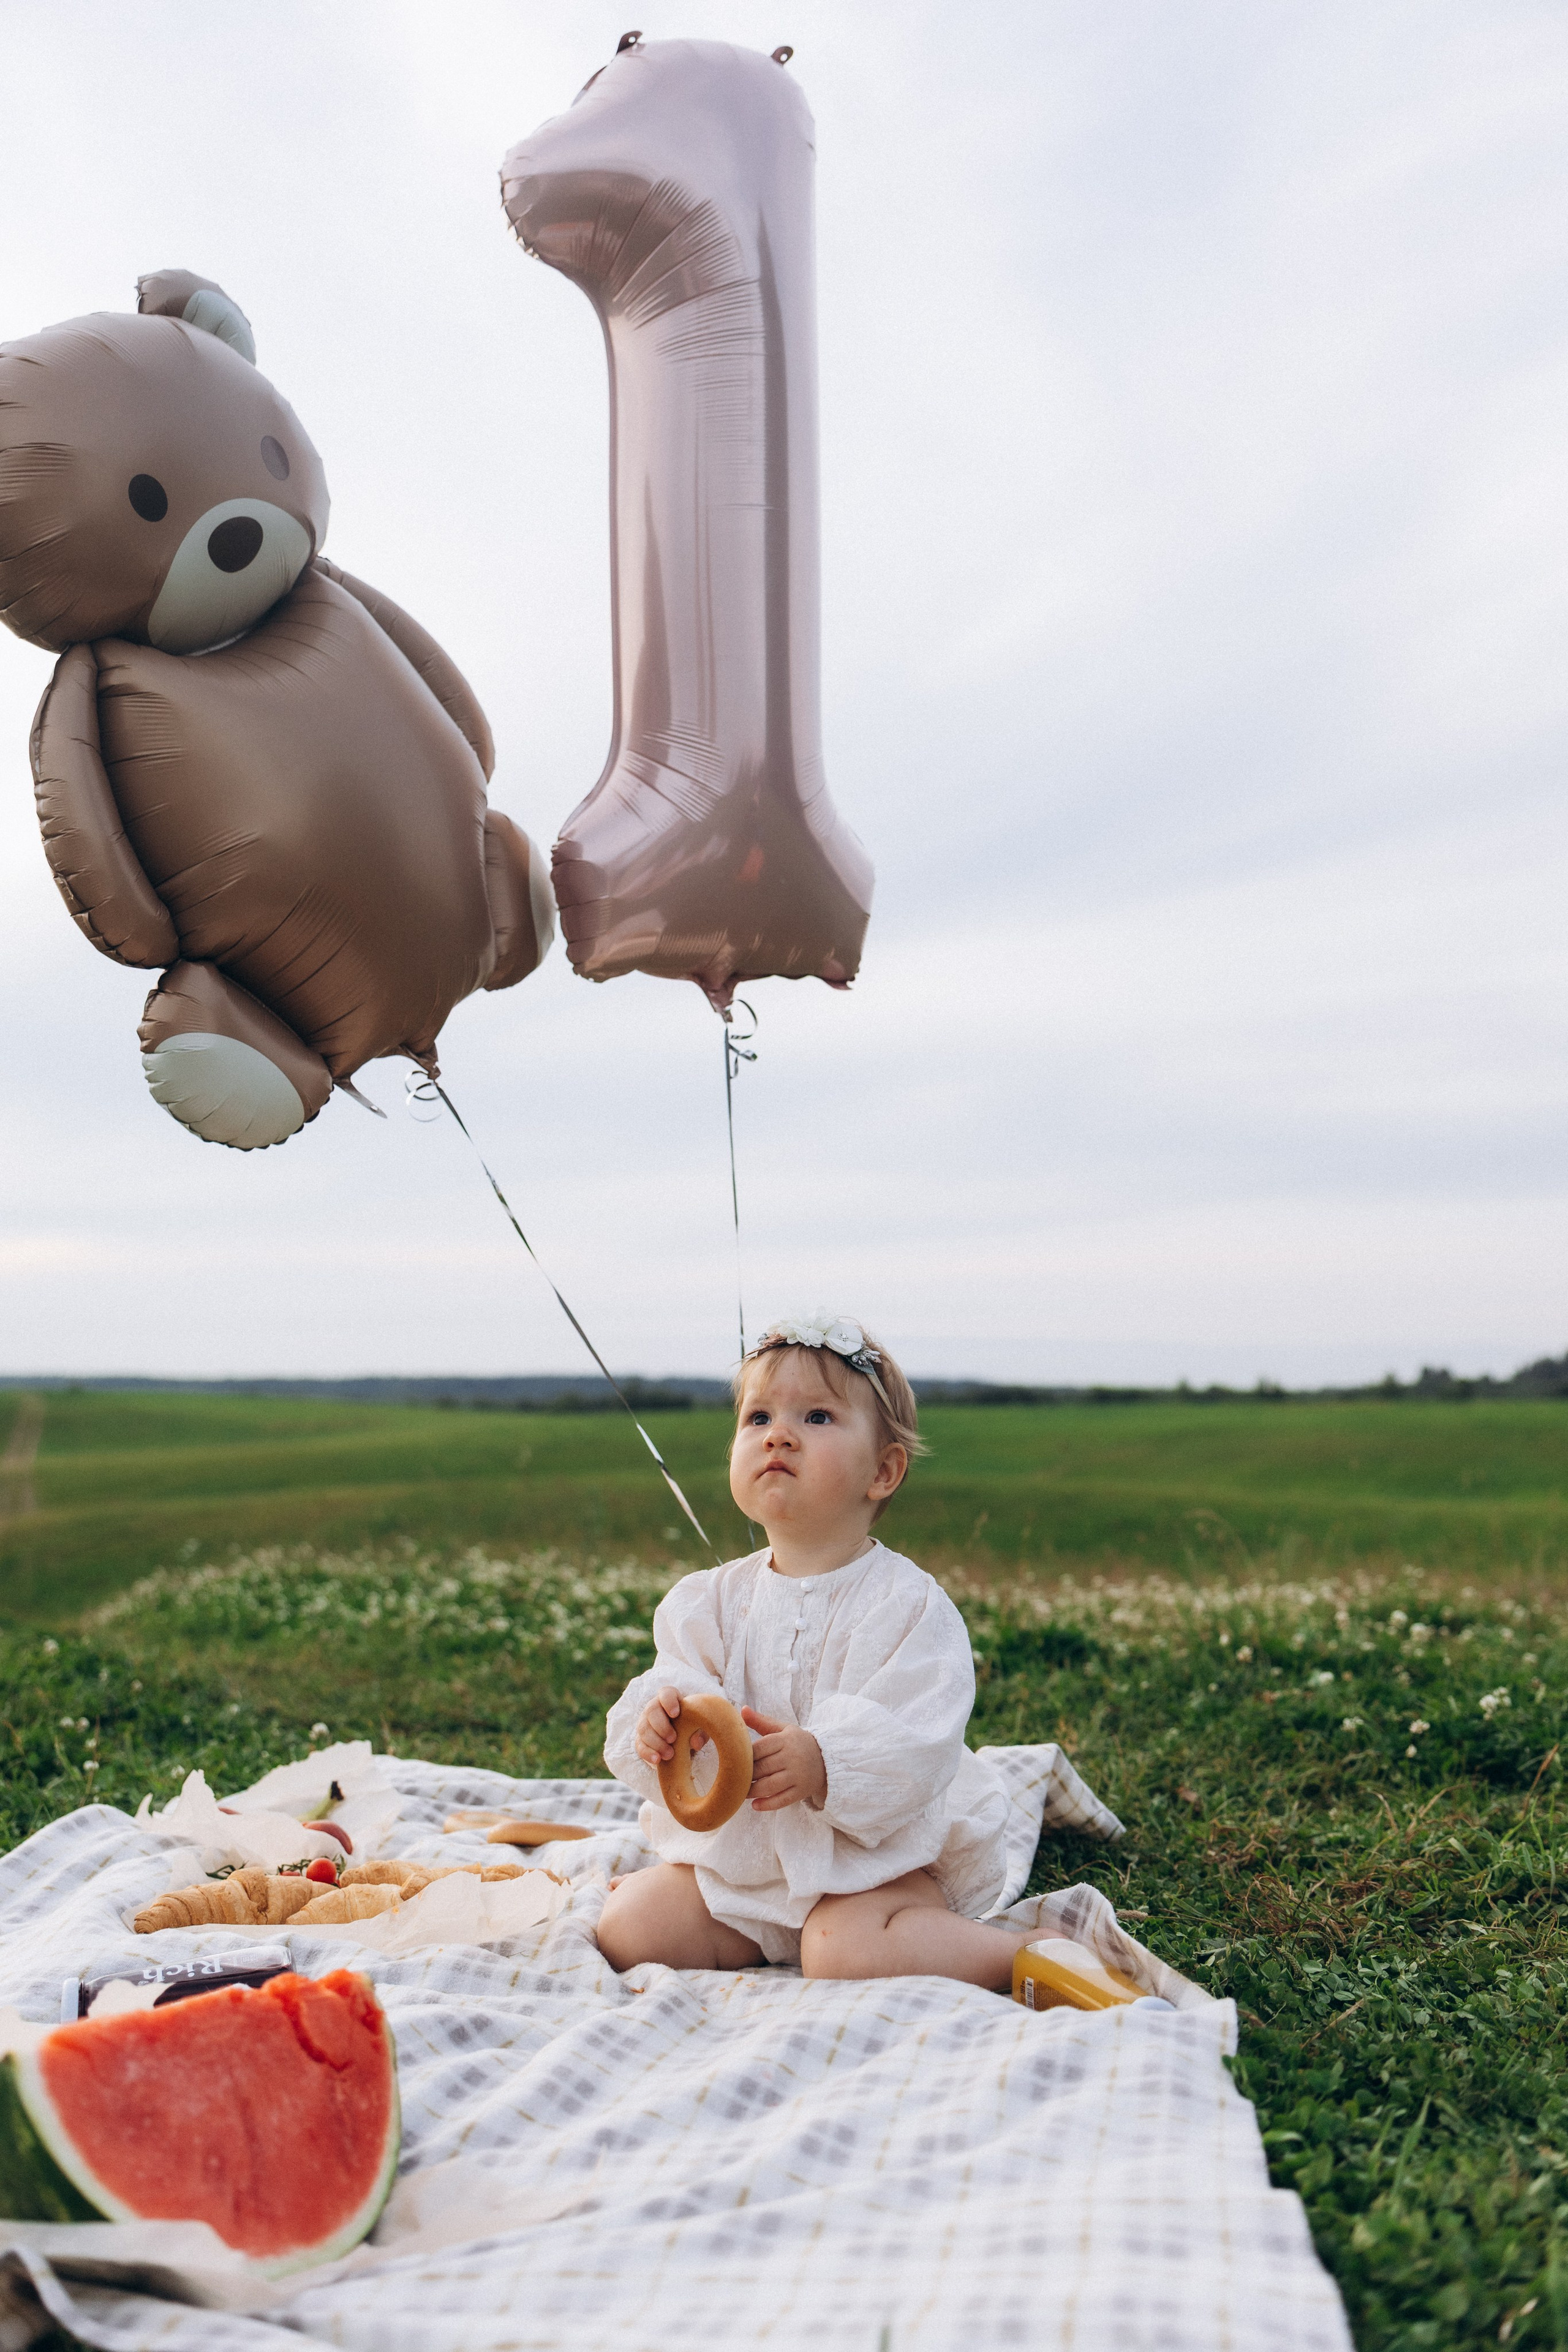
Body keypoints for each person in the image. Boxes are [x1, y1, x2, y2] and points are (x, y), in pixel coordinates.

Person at [597, 1313, 1039, 1985]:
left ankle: (1035, 1954)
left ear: (883, 1472)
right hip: (744, 1867)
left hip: (872, 1867)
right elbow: (678, 1686)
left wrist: (827, 1762)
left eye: (818, 1418)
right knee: (632, 1929)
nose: (778, 1434)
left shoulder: (906, 1605)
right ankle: (762, 1937)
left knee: (841, 1951)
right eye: (757, 1418)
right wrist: (658, 1729)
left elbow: (919, 1734)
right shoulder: (706, 1601)